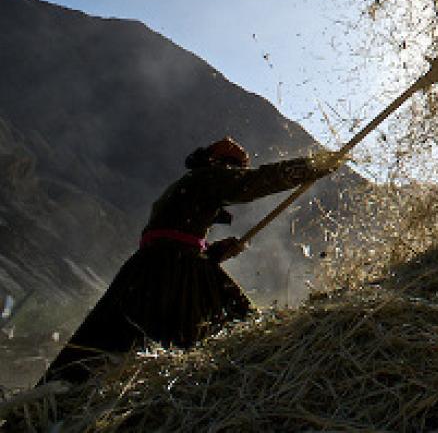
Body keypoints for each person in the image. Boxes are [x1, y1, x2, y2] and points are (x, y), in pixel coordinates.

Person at [42, 137, 341, 384]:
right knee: (240, 332)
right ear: (223, 165)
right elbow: (256, 182)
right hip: (176, 270)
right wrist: (311, 166)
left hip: (146, 268)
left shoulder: (183, 186)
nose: (235, 174)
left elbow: (172, 234)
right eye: (235, 169)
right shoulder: (208, 177)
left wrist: (212, 252)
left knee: (104, 341)